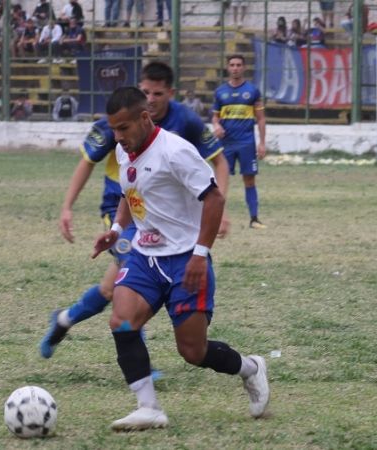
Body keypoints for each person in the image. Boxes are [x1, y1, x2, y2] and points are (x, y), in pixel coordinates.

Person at [89, 86, 269, 431]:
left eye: (123, 128)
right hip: (144, 256)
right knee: (122, 322)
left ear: (144, 118)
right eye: (113, 129)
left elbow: (214, 199)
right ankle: (148, 408)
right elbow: (129, 190)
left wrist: (200, 254)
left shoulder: (175, 151)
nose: (118, 136)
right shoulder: (124, 150)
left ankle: (251, 368)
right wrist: (117, 228)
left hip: (185, 260)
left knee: (192, 352)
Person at [39, 61, 232, 362]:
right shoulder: (120, 120)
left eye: (158, 93)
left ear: (170, 93)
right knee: (128, 286)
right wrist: (67, 207)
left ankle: (65, 319)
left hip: (163, 218)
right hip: (123, 209)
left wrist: (219, 205)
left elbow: (219, 162)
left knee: (110, 289)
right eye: (146, 92)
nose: (151, 99)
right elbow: (87, 162)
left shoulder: (185, 121)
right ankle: (141, 370)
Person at [213, 54, 267, 229]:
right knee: (221, 182)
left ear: (244, 68)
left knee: (249, 180)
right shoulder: (220, 92)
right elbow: (215, 117)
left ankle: (254, 219)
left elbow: (261, 118)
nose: (235, 68)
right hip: (226, 144)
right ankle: (217, 219)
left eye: (238, 65)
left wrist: (262, 143)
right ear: (228, 68)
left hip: (246, 143)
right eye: (232, 65)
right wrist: (216, 125)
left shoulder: (252, 91)